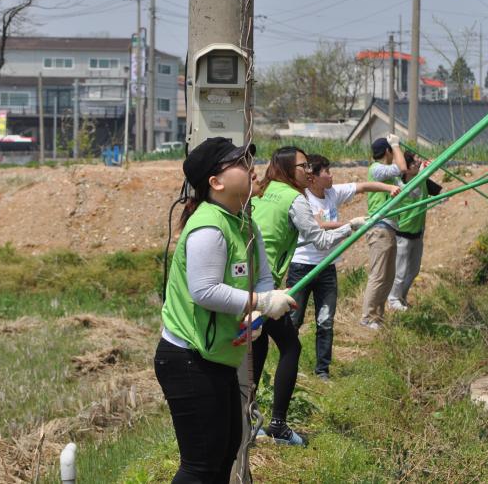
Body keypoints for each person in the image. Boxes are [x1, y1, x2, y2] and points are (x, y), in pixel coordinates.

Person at [155, 137, 296, 483]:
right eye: (239, 162)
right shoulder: (209, 226)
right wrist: (262, 302)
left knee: (226, 450)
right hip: (188, 359)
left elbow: (263, 276)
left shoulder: (243, 222)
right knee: (201, 465)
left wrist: (257, 311)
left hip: (217, 358)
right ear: (215, 182)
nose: (250, 166)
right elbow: (204, 291)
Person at [250, 146, 355, 445]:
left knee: (257, 346)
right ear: (287, 169)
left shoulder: (264, 190)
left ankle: (247, 417)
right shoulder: (295, 199)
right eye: (303, 166)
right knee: (290, 346)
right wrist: (351, 227)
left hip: (248, 279)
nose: (308, 171)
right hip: (263, 286)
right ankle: (278, 425)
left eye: (309, 166)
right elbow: (320, 240)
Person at [287, 153, 401, 379]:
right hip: (302, 266)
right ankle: (290, 366)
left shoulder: (332, 193)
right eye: (327, 172)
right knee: (294, 321)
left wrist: (388, 189)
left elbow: (362, 186)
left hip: (327, 267)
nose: (331, 175)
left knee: (326, 321)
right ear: (313, 178)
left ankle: (322, 371)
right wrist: (350, 224)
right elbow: (318, 226)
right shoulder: (304, 199)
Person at [359, 134, 408, 330]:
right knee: (379, 275)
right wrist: (396, 144)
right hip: (379, 228)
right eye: (392, 150)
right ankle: (367, 317)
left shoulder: (388, 175)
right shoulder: (377, 169)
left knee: (388, 276)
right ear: (387, 151)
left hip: (388, 228)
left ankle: (377, 317)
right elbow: (401, 168)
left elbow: (407, 187)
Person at [387, 151, 433, 312]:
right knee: (400, 271)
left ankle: (401, 297)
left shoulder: (423, 181)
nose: (417, 165)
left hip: (418, 234)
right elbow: (410, 189)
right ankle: (393, 299)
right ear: (406, 167)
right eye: (414, 162)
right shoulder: (400, 186)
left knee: (413, 271)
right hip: (403, 234)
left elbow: (437, 189)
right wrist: (422, 172)